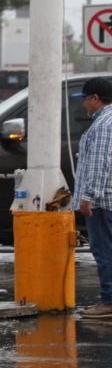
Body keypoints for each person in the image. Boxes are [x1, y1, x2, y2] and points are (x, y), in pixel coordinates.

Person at [74, 77, 112, 319]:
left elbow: (100, 164)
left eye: (86, 99)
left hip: (101, 202)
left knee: (104, 250)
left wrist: (88, 196)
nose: (84, 105)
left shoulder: (103, 124)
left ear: (95, 99)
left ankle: (109, 301)